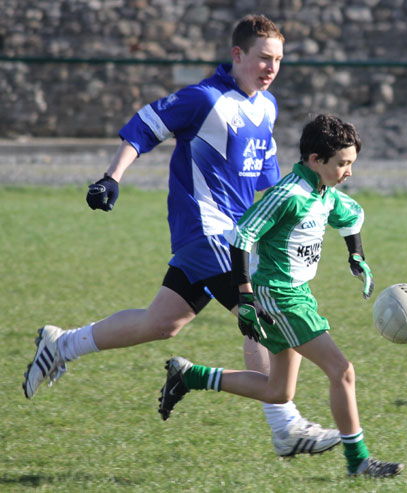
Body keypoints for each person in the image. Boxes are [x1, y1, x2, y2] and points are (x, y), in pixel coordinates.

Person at [22, 15, 341, 456]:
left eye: (279, 60)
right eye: (264, 58)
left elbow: (266, 181)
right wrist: (111, 177)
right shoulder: (203, 98)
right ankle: (286, 427)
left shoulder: (266, 107)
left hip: (236, 233)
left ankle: (62, 344)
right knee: (262, 311)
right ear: (238, 55)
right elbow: (143, 126)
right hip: (207, 230)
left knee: (162, 323)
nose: (272, 68)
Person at [158, 114, 405, 478]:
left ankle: (190, 375)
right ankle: (359, 462)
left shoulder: (323, 192)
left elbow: (350, 215)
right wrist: (244, 298)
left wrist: (357, 256)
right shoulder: (288, 194)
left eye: (352, 163)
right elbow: (241, 236)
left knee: (277, 391)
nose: (349, 171)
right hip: (278, 296)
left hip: (297, 293)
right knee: (342, 371)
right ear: (315, 159)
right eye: (343, 163)